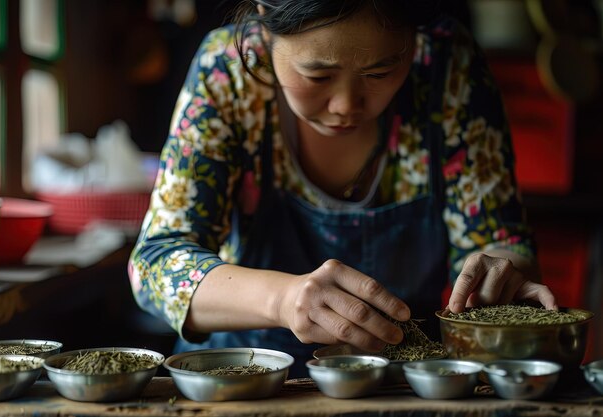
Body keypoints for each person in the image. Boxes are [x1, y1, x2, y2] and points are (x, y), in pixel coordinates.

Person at [128, 0, 557, 377]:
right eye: (317, 75)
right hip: (240, 381)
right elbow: (156, 264)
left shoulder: (446, 66)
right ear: (263, 18)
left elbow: (497, 242)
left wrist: (502, 276)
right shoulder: (232, 69)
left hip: (401, 381)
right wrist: (282, 299)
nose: (346, 106)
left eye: (380, 72)